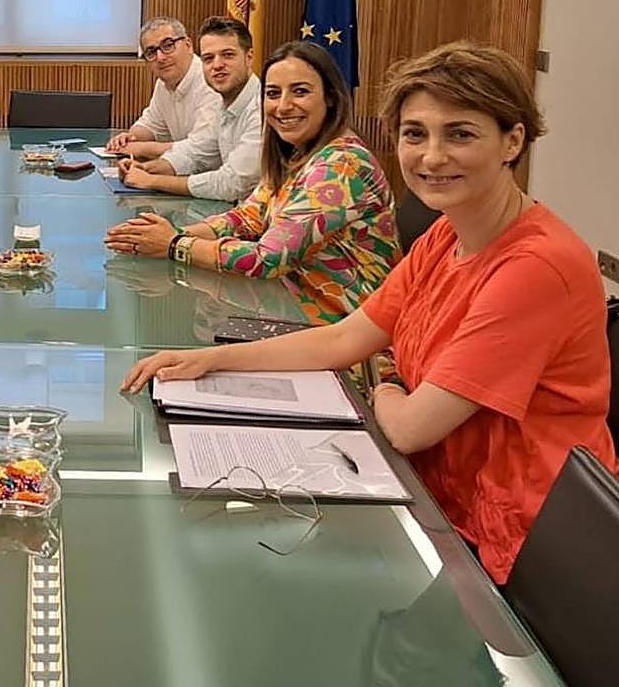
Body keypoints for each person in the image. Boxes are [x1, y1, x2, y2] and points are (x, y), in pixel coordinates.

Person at [122, 41, 618, 584]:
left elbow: (408, 427)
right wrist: (212, 362)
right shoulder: (446, 235)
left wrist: (385, 377)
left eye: (460, 134)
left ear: (513, 140)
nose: (431, 157)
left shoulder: (535, 267)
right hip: (437, 495)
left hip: (515, 540)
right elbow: (344, 339)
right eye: (415, 134)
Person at [105, 41, 399, 324]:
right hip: (297, 317)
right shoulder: (296, 155)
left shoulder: (341, 164)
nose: (283, 106)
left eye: (300, 91)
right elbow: (247, 217)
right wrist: (166, 234)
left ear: (331, 97)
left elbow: (267, 259)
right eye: (273, 93)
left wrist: (174, 244)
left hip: (350, 346)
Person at [118, 16, 262, 202]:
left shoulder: (263, 108)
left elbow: (232, 184)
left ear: (249, 57)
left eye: (228, 55)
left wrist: (152, 180)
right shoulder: (225, 101)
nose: (217, 65)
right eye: (209, 58)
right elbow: (196, 151)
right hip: (237, 215)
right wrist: (146, 168)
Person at [104, 16, 221, 158]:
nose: (160, 57)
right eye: (151, 52)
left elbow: (202, 148)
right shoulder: (164, 83)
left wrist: (142, 148)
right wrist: (129, 138)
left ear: (188, 45)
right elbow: (151, 124)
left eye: (168, 46)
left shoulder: (211, 81)